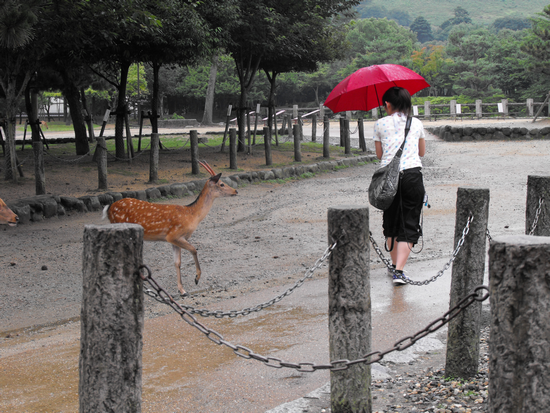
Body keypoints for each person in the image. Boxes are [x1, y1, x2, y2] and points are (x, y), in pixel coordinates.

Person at [373, 87, 426, 285]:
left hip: (388, 178)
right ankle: (399, 271)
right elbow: (421, 152)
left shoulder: (379, 124)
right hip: (412, 175)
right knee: (409, 221)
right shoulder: (417, 123)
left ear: (387, 104)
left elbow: (380, 155)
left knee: (392, 221)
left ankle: (394, 265)